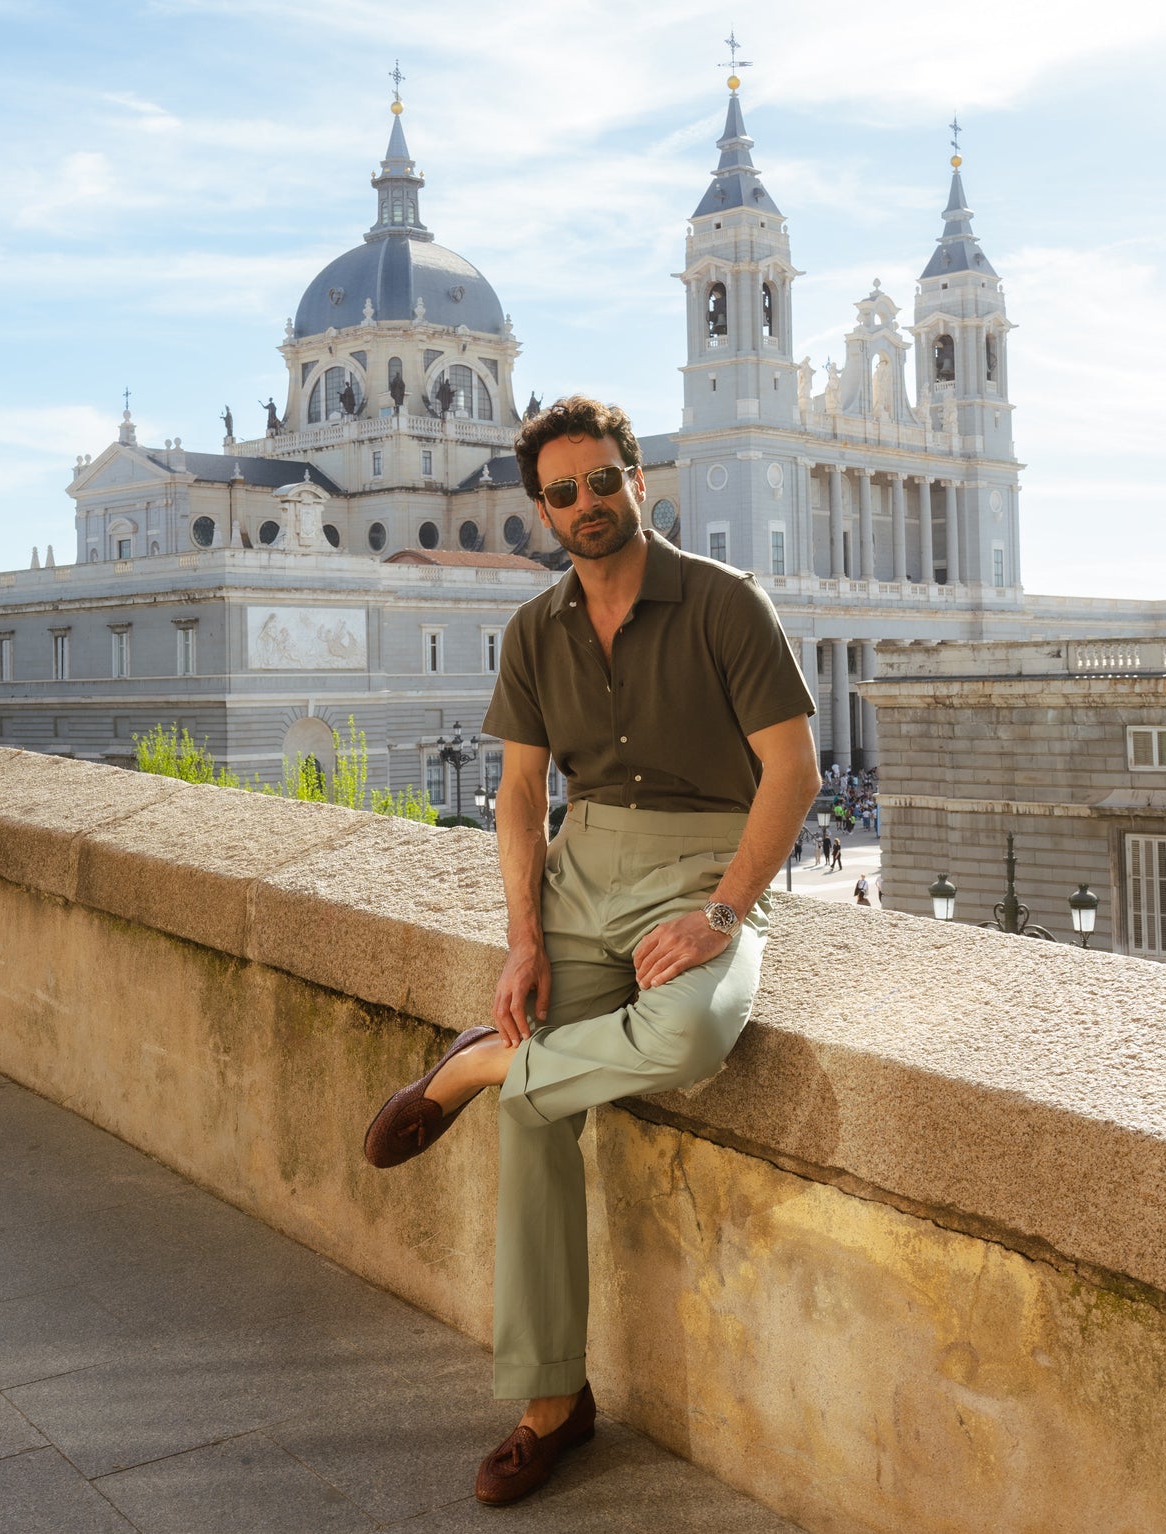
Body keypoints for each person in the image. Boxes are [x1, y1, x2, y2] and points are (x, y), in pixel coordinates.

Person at [362, 396, 820, 1507]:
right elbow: (520, 795)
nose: (586, 504)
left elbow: (793, 776)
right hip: (582, 865)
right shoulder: (531, 631)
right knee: (540, 1106)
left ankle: (472, 1066)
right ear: (538, 510)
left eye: (602, 481)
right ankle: (550, 1403)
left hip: (701, 867)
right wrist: (522, 937)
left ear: (637, 481)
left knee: (691, 1028)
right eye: (562, 493)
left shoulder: (724, 604)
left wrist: (718, 913)